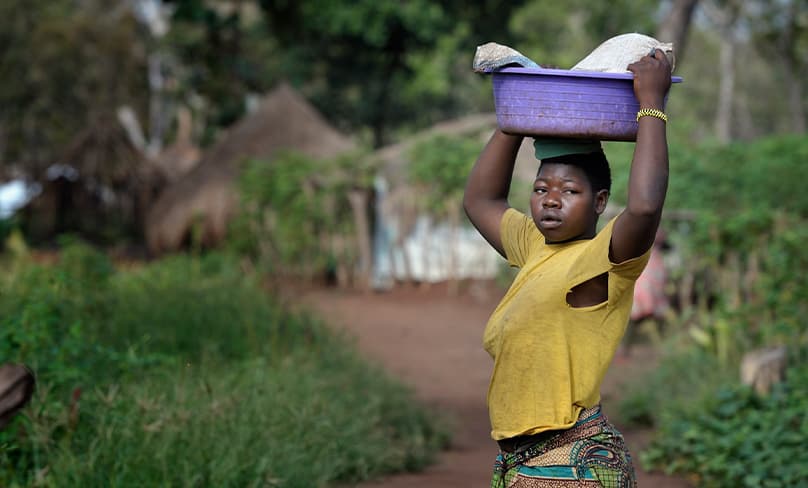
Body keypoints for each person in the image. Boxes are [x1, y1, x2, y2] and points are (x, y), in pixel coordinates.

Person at [463, 49, 672, 488]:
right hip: (526, 464)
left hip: (570, 468)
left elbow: (645, 206)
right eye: (541, 188)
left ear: (599, 202)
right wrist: (515, 116)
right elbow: (480, 201)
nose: (550, 199)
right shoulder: (535, 247)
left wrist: (651, 105)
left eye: (568, 190)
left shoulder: (604, 259)